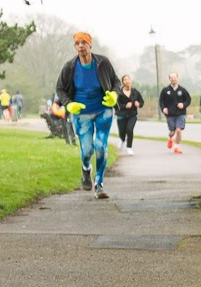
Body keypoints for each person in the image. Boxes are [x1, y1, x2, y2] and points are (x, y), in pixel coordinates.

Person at [53, 32, 120, 199]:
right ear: (75, 47)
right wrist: (69, 104)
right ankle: (86, 169)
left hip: (103, 109)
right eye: (77, 43)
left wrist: (114, 95)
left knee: (101, 147)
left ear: (90, 45)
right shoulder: (70, 67)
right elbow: (60, 89)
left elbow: (116, 82)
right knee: (87, 150)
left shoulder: (102, 62)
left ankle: (99, 184)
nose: (81, 46)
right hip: (81, 113)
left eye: (84, 42)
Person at [158, 73, 192, 154]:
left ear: (177, 78)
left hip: (180, 114)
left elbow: (188, 100)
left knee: (179, 130)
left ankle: (176, 146)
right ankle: (170, 139)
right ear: (169, 79)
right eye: (171, 78)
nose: (173, 79)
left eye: (174, 77)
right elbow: (161, 101)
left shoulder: (182, 90)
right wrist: (163, 108)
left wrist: (183, 104)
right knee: (172, 132)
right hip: (170, 115)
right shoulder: (165, 90)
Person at [116, 75, 145, 155]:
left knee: (129, 130)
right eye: (125, 80)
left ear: (131, 81)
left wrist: (138, 104)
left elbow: (142, 102)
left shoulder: (135, 92)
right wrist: (125, 106)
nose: (127, 81)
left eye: (128, 79)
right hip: (121, 115)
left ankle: (129, 147)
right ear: (123, 82)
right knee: (122, 132)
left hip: (132, 115)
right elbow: (116, 105)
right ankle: (122, 140)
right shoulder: (119, 92)